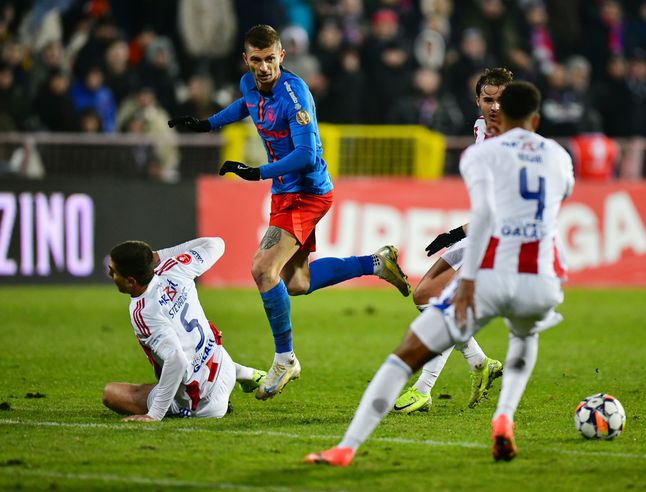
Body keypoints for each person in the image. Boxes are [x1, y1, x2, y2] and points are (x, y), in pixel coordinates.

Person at [305, 81, 574, 466]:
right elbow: (554, 201)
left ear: (505, 112)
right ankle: (502, 415)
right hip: (544, 279)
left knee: (404, 356)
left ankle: (347, 446)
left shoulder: (479, 156)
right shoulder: (559, 157)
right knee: (524, 333)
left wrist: (466, 282)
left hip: (494, 269)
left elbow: (485, 218)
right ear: (535, 118)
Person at [168, 24, 411, 401]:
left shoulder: (295, 96)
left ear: (281, 56)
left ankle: (285, 359)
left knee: (263, 269)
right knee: (296, 283)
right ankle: (376, 263)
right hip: (285, 192)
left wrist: (256, 172)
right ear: (246, 60)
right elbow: (246, 104)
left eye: (270, 59)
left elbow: (307, 155)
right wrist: (208, 124)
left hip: (308, 192)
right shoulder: (250, 84)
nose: (263, 68)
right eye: (256, 60)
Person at [392, 68, 512, 415]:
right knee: (423, 296)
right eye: (489, 99)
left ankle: (423, 389)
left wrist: (459, 232)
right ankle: (480, 363)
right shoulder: (481, 129)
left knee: (442, 303)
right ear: (478, 101)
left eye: (502, 99)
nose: (495, 106)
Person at [102, 237, 266, 421]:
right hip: (223, 366)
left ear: (131, 281)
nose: (110, 275)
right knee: (191, 351)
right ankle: (245, 373)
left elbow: (176, 361)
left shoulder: (144, 312)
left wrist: (153, 415)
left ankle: (184, 408)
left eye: (113, 272)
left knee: (111, 394)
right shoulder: (174, 268)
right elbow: (216, 244)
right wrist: (160, 255)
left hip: (204, 403)